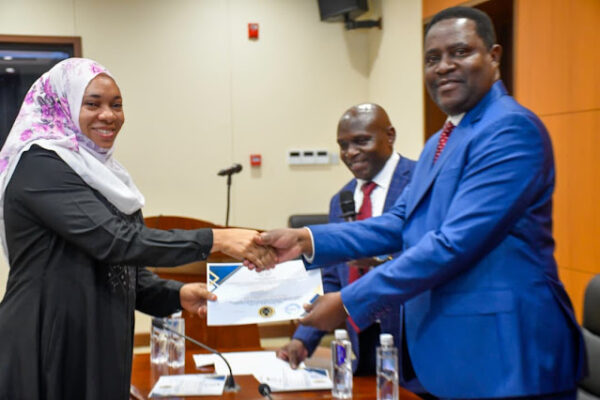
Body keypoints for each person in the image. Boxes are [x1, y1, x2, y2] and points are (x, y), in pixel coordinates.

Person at [253, 7, 585, 400]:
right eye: (432, 58)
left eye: (459, 52)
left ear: (494, 56)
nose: (443, 67)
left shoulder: (509, 129)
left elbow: (453, 244)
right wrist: (307, 240)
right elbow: (399, 222)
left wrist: (349, 301)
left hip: (510, 355)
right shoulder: (441, 141)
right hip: (461, 356)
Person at [0, 58, 273, 400]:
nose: (108, 115)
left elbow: (123, 267)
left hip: (99, 338)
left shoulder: (101, 172)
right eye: (93, 104)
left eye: (116, 105)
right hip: (47, 340)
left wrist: (176, 294)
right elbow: (115, 240)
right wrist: (218, 239)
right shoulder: (38, 164)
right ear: (62, 105)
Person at [277, 103, 415, 376]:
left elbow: (432, 254)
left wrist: (382, 260)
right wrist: (303, 339)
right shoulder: (340, 201)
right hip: (361, 342)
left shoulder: (420, 181)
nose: (350, 152)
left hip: (411, 339)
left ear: (390, 136)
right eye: (343, 145)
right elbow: (332, 278)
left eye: (361, 141)